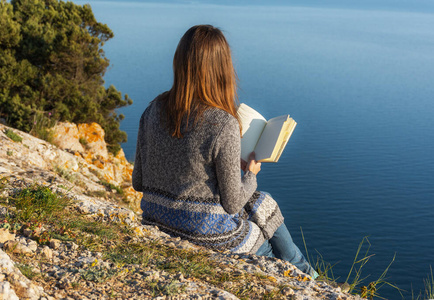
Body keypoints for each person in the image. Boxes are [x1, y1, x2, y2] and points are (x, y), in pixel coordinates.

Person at [132, 24, 317, 278]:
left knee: (259, 201)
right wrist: (250, 173)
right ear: (221, 69)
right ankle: (307, 277)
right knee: (266, 205)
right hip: (205, 235)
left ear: (180, 61)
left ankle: (308, 274)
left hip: (156, 222)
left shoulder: (152, 109)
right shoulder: (222, 123)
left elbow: (138, 181)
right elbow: (231, 205)